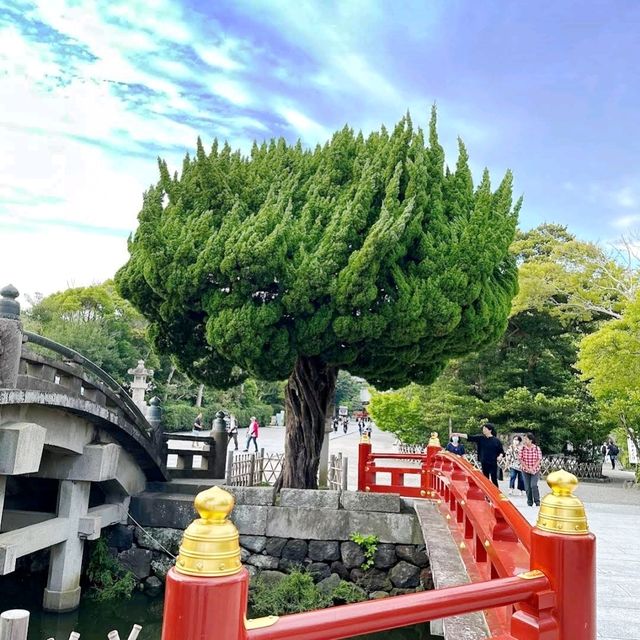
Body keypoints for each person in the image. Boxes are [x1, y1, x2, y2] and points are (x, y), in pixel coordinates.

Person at [518, 432, 542, 507]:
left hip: (535, 470)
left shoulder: (536, 448)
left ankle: (537, 502)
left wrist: (533, 468)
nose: (525, 440)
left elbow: (539, 459)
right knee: (527, 487)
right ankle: (529, 502)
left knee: (533, 485)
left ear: (531, 440)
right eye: (524, 439)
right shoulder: (522, 448)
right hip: (525, 470)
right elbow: (520, 459)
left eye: (526, 439)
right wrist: (527, 468)